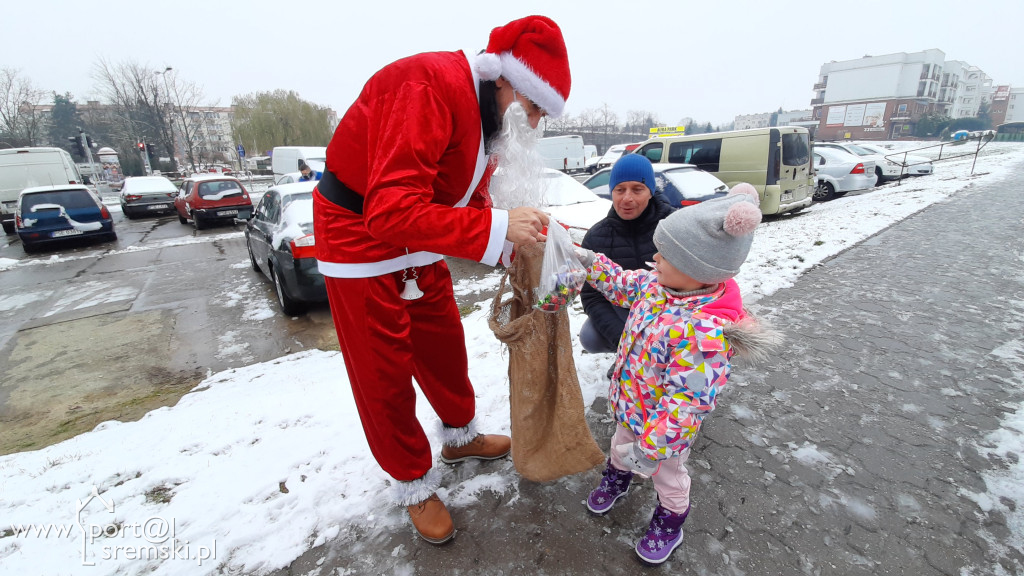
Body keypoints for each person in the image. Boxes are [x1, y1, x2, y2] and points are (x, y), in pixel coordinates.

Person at [312, 15, 571, 545]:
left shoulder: (489, 116)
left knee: (443, 342)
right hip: (359, 236)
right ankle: (411, 480)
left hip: (418, 237)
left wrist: (509, 244)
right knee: (382, 371)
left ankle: (459, 435)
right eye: (538, 107)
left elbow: (463, 192)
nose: (538, 123)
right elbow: (387, 212)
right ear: (508, 81)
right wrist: (496, 227)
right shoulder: (428, 86)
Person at [575, 184, 778, 565]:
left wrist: (652, 449)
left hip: (665, 433)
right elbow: (620, 282)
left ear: (697, 268)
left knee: (668, 476)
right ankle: (618, 477)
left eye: (664, 254)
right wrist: (586, 258)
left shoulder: (704, 333)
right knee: (621, 446)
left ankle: (670, 519)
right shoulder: (657, 285)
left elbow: (687, 402)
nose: (654, 257)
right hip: (631, 405)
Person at [579, 154, 674, 362]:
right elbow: (591, 296)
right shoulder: (597, 236)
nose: (627, 198)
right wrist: (624, 341)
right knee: (589, 336)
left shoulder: (674, 225)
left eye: (637, 189)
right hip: (625, 314)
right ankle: (628, 362)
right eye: (619, 190)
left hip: (671, 312)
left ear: (650, 191)